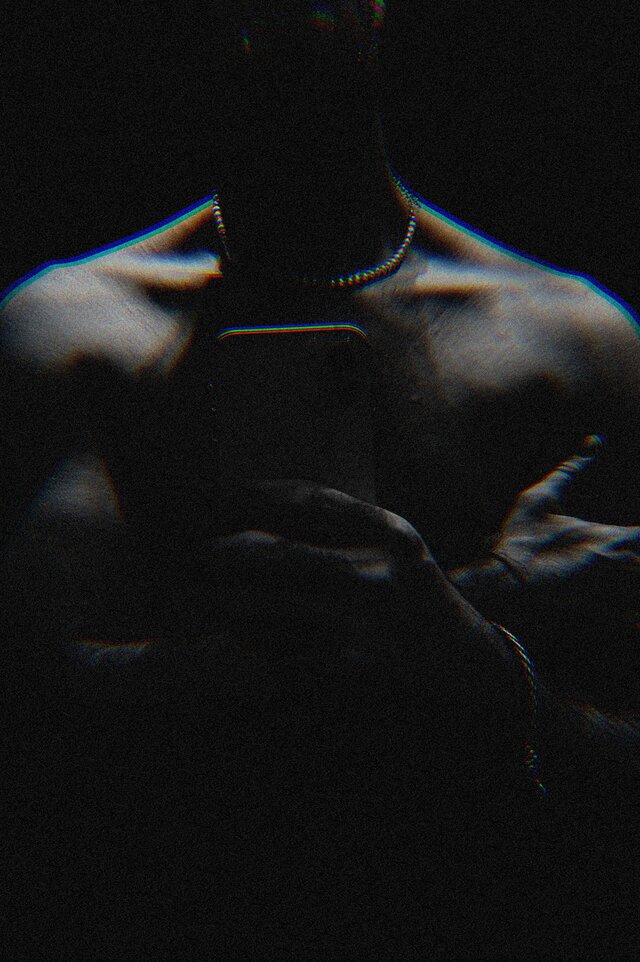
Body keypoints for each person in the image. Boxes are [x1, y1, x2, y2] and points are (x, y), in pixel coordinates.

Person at [1, 2, 639, 959]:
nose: (252, 26)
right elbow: (38, 729)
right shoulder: (72, 336)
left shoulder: (570, 343)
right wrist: (485, 603)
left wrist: (473, 667)